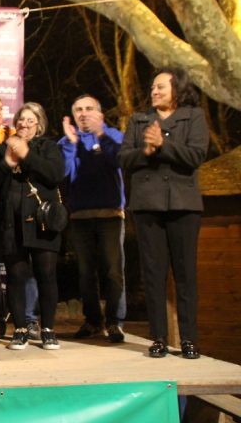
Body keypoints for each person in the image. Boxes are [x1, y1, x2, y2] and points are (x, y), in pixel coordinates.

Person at [119, 67, 208, 359]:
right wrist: (145, 151)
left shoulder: (193, 117)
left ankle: (189, 341)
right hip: (147, 206)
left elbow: (196, 155)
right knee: (154, 275)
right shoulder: (139, 119)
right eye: (153, 88)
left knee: (185, 275)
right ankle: (157, 338)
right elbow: (124, 159)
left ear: (177, 90)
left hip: (184, 205)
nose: (154, 92)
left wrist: (164, 146)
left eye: (161, 87)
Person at [0, 102, 65, 351]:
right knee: (16, 277)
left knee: (46, 276)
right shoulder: (0, 150)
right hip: (10, 224)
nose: (24, 124)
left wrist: (27, 155)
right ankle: (19, 329)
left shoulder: (48, 147)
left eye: (30, 120)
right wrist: (7, 161)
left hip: (42, 223)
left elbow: (55, 174)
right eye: (20, 120)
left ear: (39, 124)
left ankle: (47, 328)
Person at [59, 94, 127, 344]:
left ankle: (115, 322)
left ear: (100, 113)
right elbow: (63, 172)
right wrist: (70, 142)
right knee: (86, 273)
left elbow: (118, 161)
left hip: (110, 214)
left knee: (113, 271)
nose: (83, 113)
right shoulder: (68, 141)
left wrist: (100, 135)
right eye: (78, 109)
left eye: (89, 108)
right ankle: (93, 321)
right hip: (80, 215)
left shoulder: (114, 136)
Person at [0, 94, 39, 341]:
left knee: (23, 267)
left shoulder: (12, 135)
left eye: (1, 108)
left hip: (11, 211)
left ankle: (31, 320)